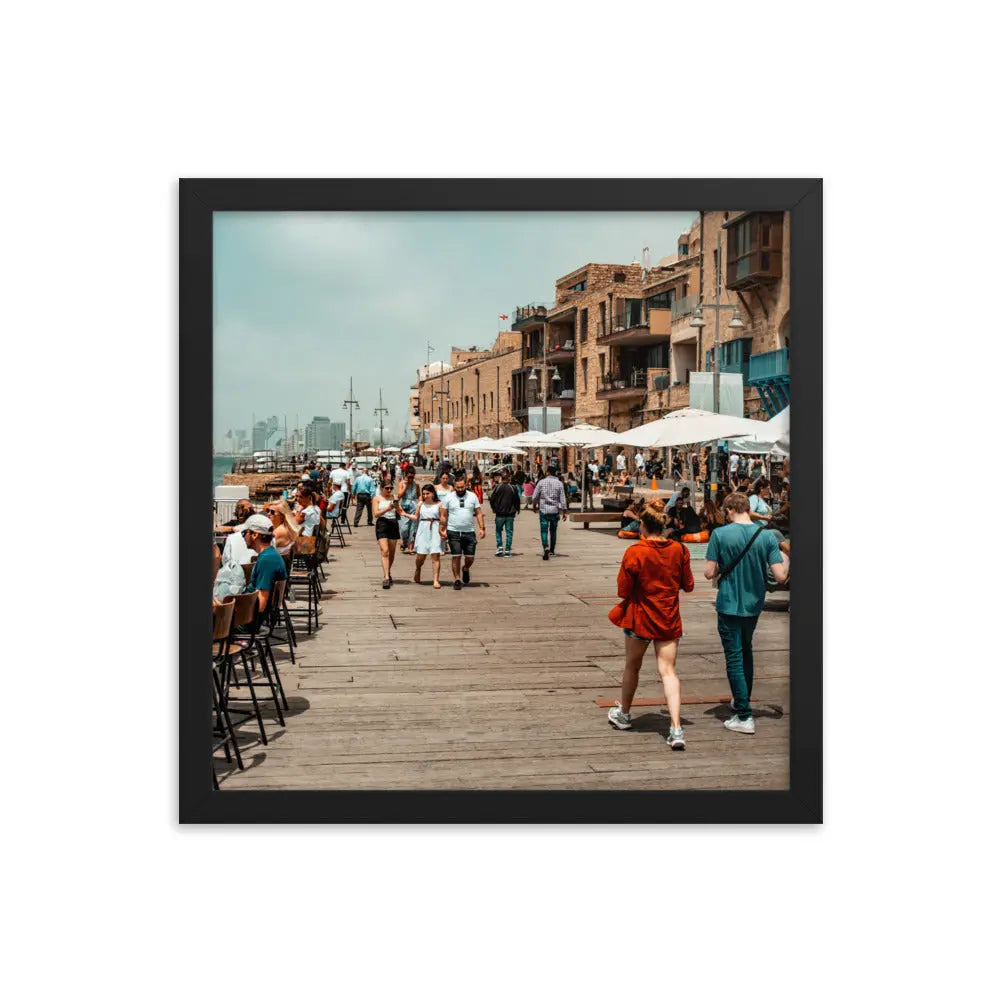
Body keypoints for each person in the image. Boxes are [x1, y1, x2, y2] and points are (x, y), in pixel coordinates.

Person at [606, 498, 695, 749]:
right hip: (667, 617)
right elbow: (688, 585)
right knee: (668, 671)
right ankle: (676, 729)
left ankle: (624, 714)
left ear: (643, 526)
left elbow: (623, 591)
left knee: (632, 667)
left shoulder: (635, 552)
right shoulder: (679, 550)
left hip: (640, 618)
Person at [704, 492, 789, 734]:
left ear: (730, 510)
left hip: (729, 603)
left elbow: (709, 573)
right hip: (754, 603)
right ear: (748, 509)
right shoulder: (766, 537)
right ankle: (742, 699)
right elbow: (781, 576)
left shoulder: (720, 534)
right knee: (746, 651)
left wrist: (722, 563)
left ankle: (744, 715)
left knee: (734, 656)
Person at [439, 474, 485, 590]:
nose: (460, 490)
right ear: (454, 486)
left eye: (462, 487)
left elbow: (478, 513)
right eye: (457, 487)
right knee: (456, 556)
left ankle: (465, 568)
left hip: (469, 532)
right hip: (453, 531)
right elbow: (444, 515)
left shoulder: (472, 496)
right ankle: (457, 579)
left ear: (466, 485)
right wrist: (442, 528)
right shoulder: (448, 498)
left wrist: (482, 528)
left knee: (470, 558)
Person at [401, 484, 444, 588]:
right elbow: (416, 517)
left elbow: (443, 518)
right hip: (423, 529)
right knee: (421, 556)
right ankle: (418, 569)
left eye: (427, 493)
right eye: (424, 493)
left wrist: (444, 530)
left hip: (435, 528)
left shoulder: (439, 504)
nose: (425, 495)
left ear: (433, 493)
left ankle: (436, 580)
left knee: (435, 555)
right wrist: (405, 514)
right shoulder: (420, 504)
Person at [243, 514, 288, 612]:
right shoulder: (269, 554)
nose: (243, 537)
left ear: (255, 535)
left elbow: (261, 605)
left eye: (244, 533)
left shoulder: (267, 560)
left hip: (247, 620)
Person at [532, 467, 567, 560]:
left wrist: (534, 505)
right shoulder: (559, 483)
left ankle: (545, 546)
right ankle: (552, 550)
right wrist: (564, 511)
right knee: (553, 531)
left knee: (544, 530)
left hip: (544, 510)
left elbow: (534, 496)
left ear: (547, 472)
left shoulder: (541, 482)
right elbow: (563, 499)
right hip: (555, 510)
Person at [373, 480, 403, 588]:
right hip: (382, 523)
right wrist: (387, 508)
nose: (389, 490)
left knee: (392, 552)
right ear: (382, 488)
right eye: (387, 488)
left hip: (393, 523)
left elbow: (400, 511)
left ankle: (388, 570)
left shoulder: (394, 497)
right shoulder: (377, 499)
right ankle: (386, 577)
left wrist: (396, 502)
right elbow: (376, 514)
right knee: (384, 551)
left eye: (391, 488)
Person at [489, 469, 520, 557]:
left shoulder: (497, 487)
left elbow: (492, 499)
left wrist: (493, 508)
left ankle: (499, 547)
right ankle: (507, 550)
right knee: (509, 532)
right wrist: (517, 509)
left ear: (501, 478)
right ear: (509, 478)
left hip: (499, 513)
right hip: (510, 514)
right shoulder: (513, 488)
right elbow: (517, 500)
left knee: (498, 531)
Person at [396, 468, 420, 554]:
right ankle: (404, 542)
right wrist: (405, 486)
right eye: (409, 477)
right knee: (404, 528)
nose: (410, 479)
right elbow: (400, 495)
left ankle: (411, 547)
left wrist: (421, 503)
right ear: (405, 476)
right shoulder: (401, 484)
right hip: (404, 507)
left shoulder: (416, 484)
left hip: (414, 507)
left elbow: (419, 496)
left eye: (412, 477)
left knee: (413, 528)